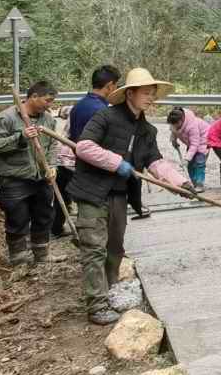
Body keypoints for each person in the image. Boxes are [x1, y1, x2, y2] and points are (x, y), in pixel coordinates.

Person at [70, 68, 190, 324]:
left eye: (153, 94)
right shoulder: (104, 117)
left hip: (119, 195)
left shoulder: (147, 130)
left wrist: (180, 183)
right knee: (94, 248)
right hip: (92, 191)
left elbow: (155, 161)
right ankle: (97, 305)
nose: (151, 98)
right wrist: (117, 163)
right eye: (146, 93)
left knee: (114, 248)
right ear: (130, 94)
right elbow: (84, 147)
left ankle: (110, 290)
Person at [0, 81, 59, 266]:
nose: (50, 105)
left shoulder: (48, 119)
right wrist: (20, 138)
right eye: (47, 100)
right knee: (17, 219)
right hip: (14, 179)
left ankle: (42, 256)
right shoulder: (7, 118)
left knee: (43, 216)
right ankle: (18, 259)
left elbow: (52, 145)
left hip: (41, 178)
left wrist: (52, 166)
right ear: (34, 97)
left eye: (52, 101)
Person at [53, 65, 121, 237]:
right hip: (90, 165)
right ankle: (91, 238)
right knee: (93, 206)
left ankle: (60, 229)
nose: (116, 90)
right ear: (110, 86)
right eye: (117, 86)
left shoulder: (79, 105)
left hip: (74, 160)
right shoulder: (103, 111)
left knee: (68, 199)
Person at [167, 106, 210, 191]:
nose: (174, 126)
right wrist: (173, 140)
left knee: (199, 163)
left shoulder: (192, 126)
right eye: (172, 125)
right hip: (192, 143)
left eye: (176, 125)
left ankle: (199, 184)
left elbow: (195, 144)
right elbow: (173, 131)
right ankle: (194, 183)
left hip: (203, 141)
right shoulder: (174, 123)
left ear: (181, 121)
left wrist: (186, 159)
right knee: (190, 165)